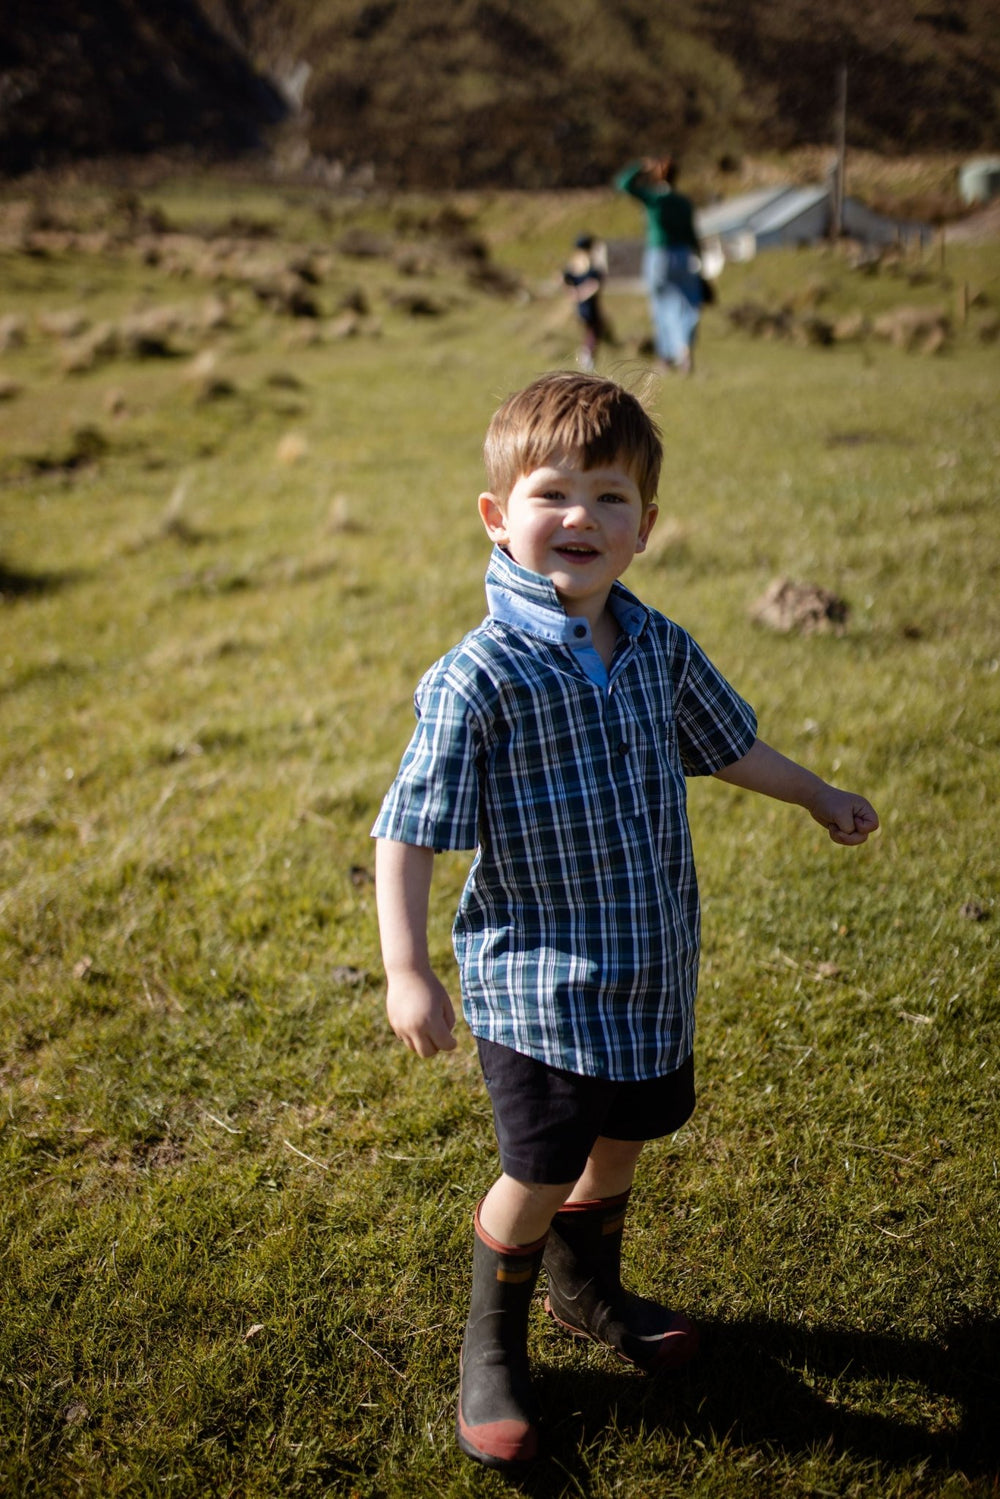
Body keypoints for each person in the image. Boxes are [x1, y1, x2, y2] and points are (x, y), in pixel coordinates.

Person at [371, 372, 879, 1470]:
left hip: (649, 971)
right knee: (540, 1168)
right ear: (497, 515)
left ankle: (587, 1289)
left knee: (624, 1140)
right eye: (552, 492)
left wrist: (815, 793)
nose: (581, 519)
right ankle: (492, 1342)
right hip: (537, 992)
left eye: (610, 498)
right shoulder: (478, 678)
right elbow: (406, 829)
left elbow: (724, 742)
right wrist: (406, 968)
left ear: (644, 527)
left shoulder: (657, 646)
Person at [616, 155, 704, 373]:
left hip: (659, 255)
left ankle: (665, 357)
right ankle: (683, 348)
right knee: (686, 303)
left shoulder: (655, 199)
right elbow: (692, 235)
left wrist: (640, 167)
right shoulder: (683, 202)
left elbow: (622, 184)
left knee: (661, 305)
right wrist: (699, 259)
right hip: (683, 256)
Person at [562, 233, 608, 371]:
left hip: (579, 305)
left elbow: (563, 280)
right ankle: (587, 356)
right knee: (594, 330)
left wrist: (573, 293)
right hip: (590, 304)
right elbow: (596, 283)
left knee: (588, 330)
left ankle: (586, 356)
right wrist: (582, 293)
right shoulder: (591, 264)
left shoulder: (574, 264)